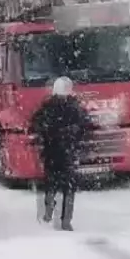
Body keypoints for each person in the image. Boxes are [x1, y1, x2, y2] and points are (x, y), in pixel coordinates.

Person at [30, 76, 91, 231]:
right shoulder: (75, 107)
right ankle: (66, 220)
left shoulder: (47, 107)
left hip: (51, 152)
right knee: (69, 188)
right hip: (68, 153)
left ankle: (49, 211)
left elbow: (35, 124)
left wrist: (46, 136)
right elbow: (85, 126)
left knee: (51, 184)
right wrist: (75, 138)